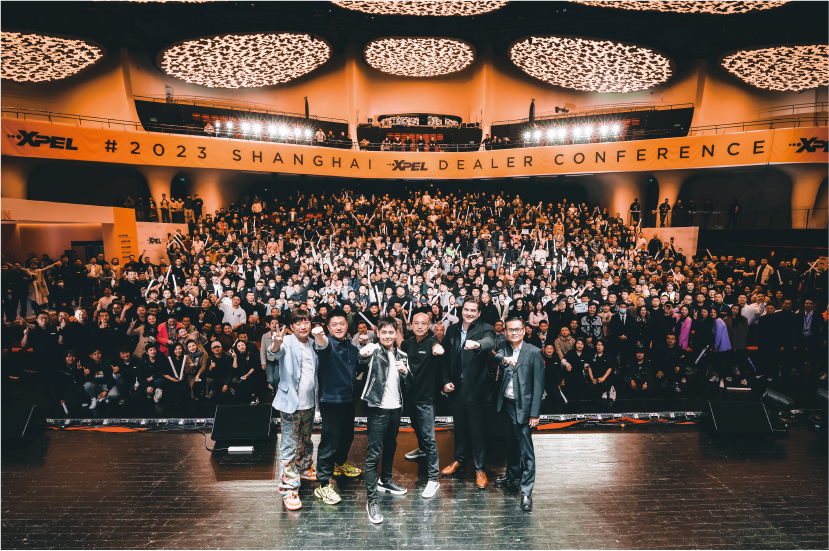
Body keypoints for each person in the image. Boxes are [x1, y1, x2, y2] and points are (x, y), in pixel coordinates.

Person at [359, 316, 413, 524]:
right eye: (384, 332)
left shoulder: (402, 355)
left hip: (396, 409)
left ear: (396, 333)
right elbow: (361, 359)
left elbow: (410, 384)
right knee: (373, 455)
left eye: (392, 332)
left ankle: (386, 480)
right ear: (378, 333)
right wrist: (364, 351)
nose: (388, 336)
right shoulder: (374, 350)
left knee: (391, 446)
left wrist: (406, 373)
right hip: (377, 409)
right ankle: (371, 501)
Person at [440, 299, 496, 489]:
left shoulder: (486, 328)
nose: (469, 313)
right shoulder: (452, 329)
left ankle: (480, 468)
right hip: (456, 387)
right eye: (466, 309)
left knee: (476, 429)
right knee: (459, 426)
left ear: (479, 313)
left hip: (475, 388)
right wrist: (445, 380)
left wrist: (477, 344)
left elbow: (490, 342)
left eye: (473, 310)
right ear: (461, 310)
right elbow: (445, 358)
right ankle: (459, 460)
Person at [268, 309, 318, 511]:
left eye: (306, 322)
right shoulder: (286, 341)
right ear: (291, 326)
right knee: (289, 445)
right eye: (298, 323)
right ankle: (288, 489)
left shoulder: (314, 343)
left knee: (305, 439)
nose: (303, 326)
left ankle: (304, 467)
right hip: (290, 404)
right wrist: (276, 342)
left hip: (310, 402)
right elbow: (274, 353)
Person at [492, 317, 544, 512]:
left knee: (526, 450)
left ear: (524, 331)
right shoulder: (504, 347)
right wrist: (504, 358)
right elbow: (496, 356)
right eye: (510, 330)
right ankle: (512, 474)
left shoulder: (534, 352)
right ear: (506, 332)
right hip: (506, 405)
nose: (514, 333)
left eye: (517, 329)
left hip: (524, 408)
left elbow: (538, 386)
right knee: (510, 444)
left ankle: (526, 491)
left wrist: (534, 413)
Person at [313, 308, 364, 506]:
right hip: (331, 400)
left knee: (347, 436)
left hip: (349, 399)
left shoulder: (351, 347)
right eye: (334, 324)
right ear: (328, 328)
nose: (339, 327)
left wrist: (366, 351)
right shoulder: (326, 344)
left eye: (342, 323)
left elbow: (359, 368)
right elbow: (321, 347)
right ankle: (323, 484)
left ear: (347, 325)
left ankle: (340, 463)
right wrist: (319, 336)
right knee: (329, 442)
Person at [400, 312, 444, 499]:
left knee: (429, 438)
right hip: (410, 396)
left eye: (423, 323)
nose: (419, 326)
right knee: (416, 428)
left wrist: (438, 348)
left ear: (429, 325)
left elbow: (437, 348)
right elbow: (398, 341)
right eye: (416, 323)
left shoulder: (432, 342)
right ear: (411, 325)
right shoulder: (409, 343)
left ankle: (433, 479)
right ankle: (422, 450)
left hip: (426, 399)